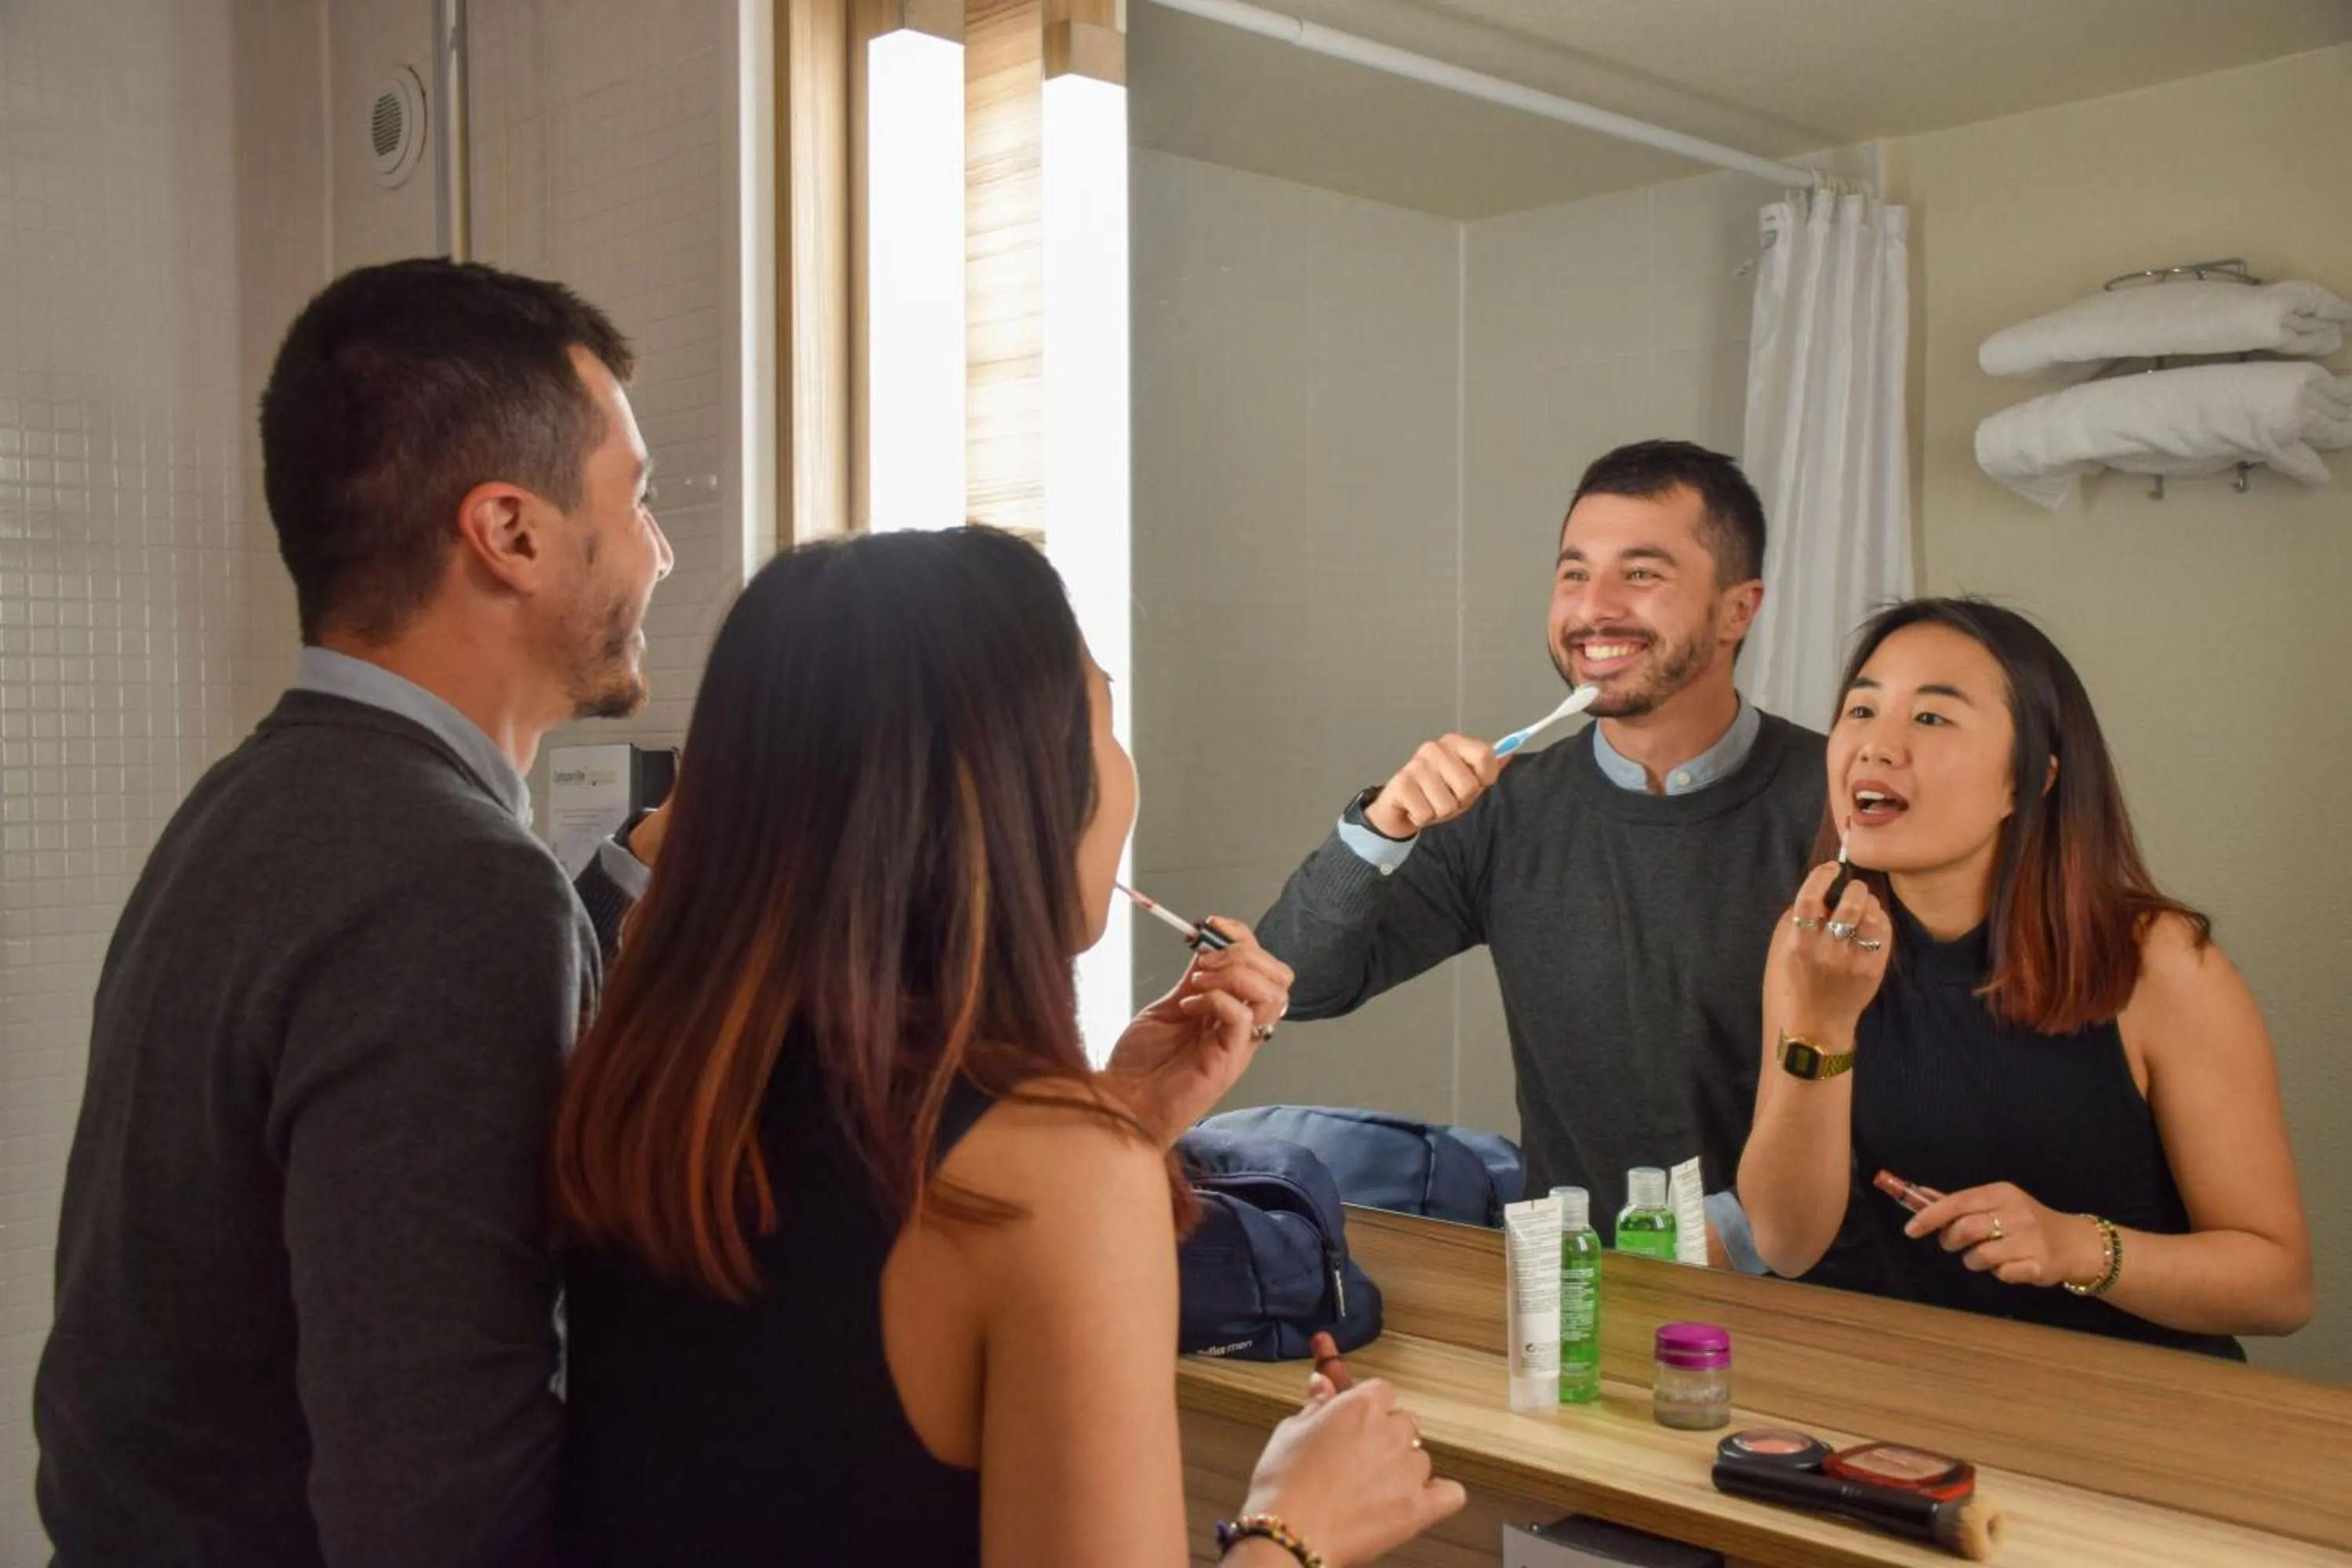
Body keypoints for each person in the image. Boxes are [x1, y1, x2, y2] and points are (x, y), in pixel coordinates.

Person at [551, 526, 1464, 1567]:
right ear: (1018, 785)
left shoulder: (642, 1092)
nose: (1122, 768)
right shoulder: (1056, 1181)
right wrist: (1298, 1526)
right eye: (1105, 718)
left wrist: (1112, 1119)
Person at [34, 258, 673, 1566]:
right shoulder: (451, 884)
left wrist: (625, 894)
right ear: (510, 531)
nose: (661, 552)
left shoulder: (248, 807)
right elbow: (437, 1507)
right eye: (638, 498)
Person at [1258, 440, 1822, 1263]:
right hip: (1579, 1305)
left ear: (1739, 609)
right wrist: (1377, 829)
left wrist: (1725, 1238)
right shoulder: (1505, 811)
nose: (1593, 608)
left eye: (1641, 573)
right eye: (1572, 572)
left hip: (1819, 1304)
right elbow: (1288, 986)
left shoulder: (1845, 805)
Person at [1737, 598, 2313, 1357]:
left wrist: (2077, 1248)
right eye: (1862, 708)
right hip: (1935, 1404)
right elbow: (1786, 1241)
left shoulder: (2159, 961)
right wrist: (1821, 1023)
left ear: (2030, 780)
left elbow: (2279, 1284)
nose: (1877, 745)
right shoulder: (1814, 945)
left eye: (1932, 718)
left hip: (2147, 1413)